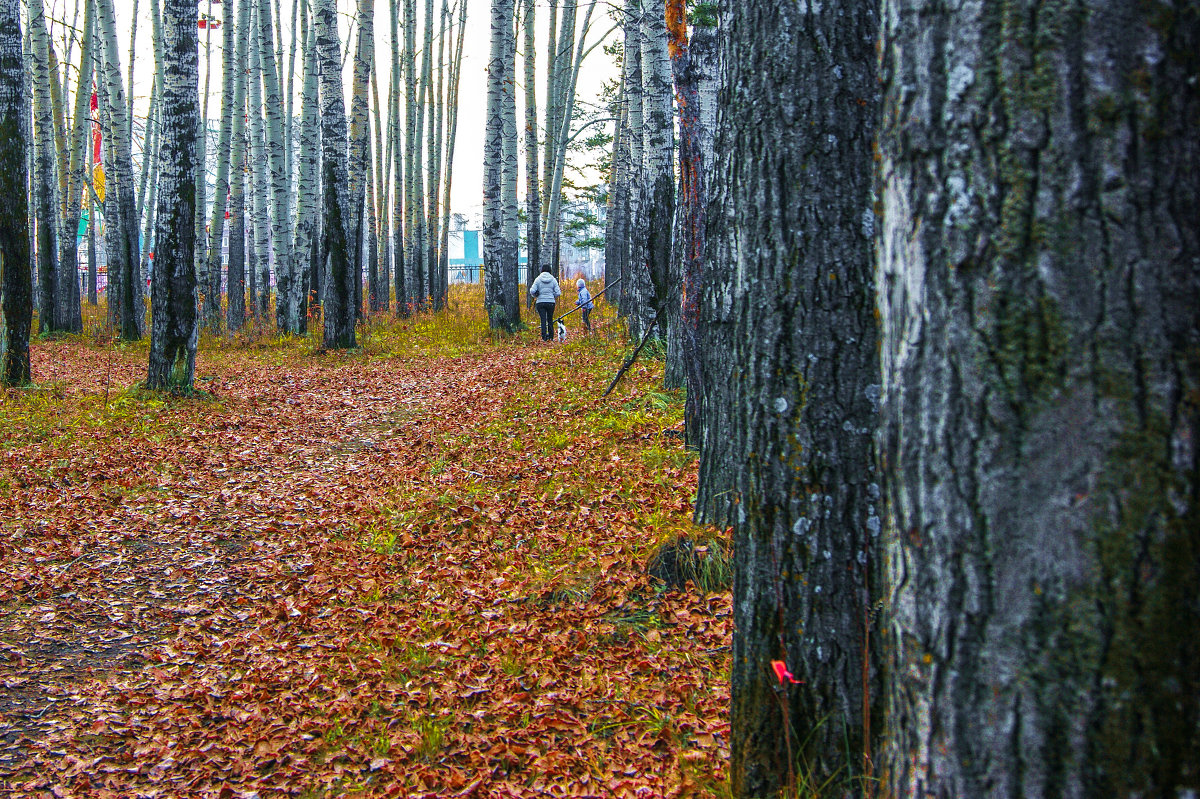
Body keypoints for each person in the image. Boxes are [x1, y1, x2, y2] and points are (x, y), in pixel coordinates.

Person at [529, 266, 561, 341]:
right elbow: (558, 292)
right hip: (551, 302)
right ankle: (551, 336)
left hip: (540, 302)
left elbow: (532, 290)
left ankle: (544, 337)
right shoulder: (553, 279)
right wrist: (552, 296)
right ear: (550, 270)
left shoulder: (538, 279)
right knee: (550, 319)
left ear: (542, 270)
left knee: (543, 320)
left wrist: (535, 295)